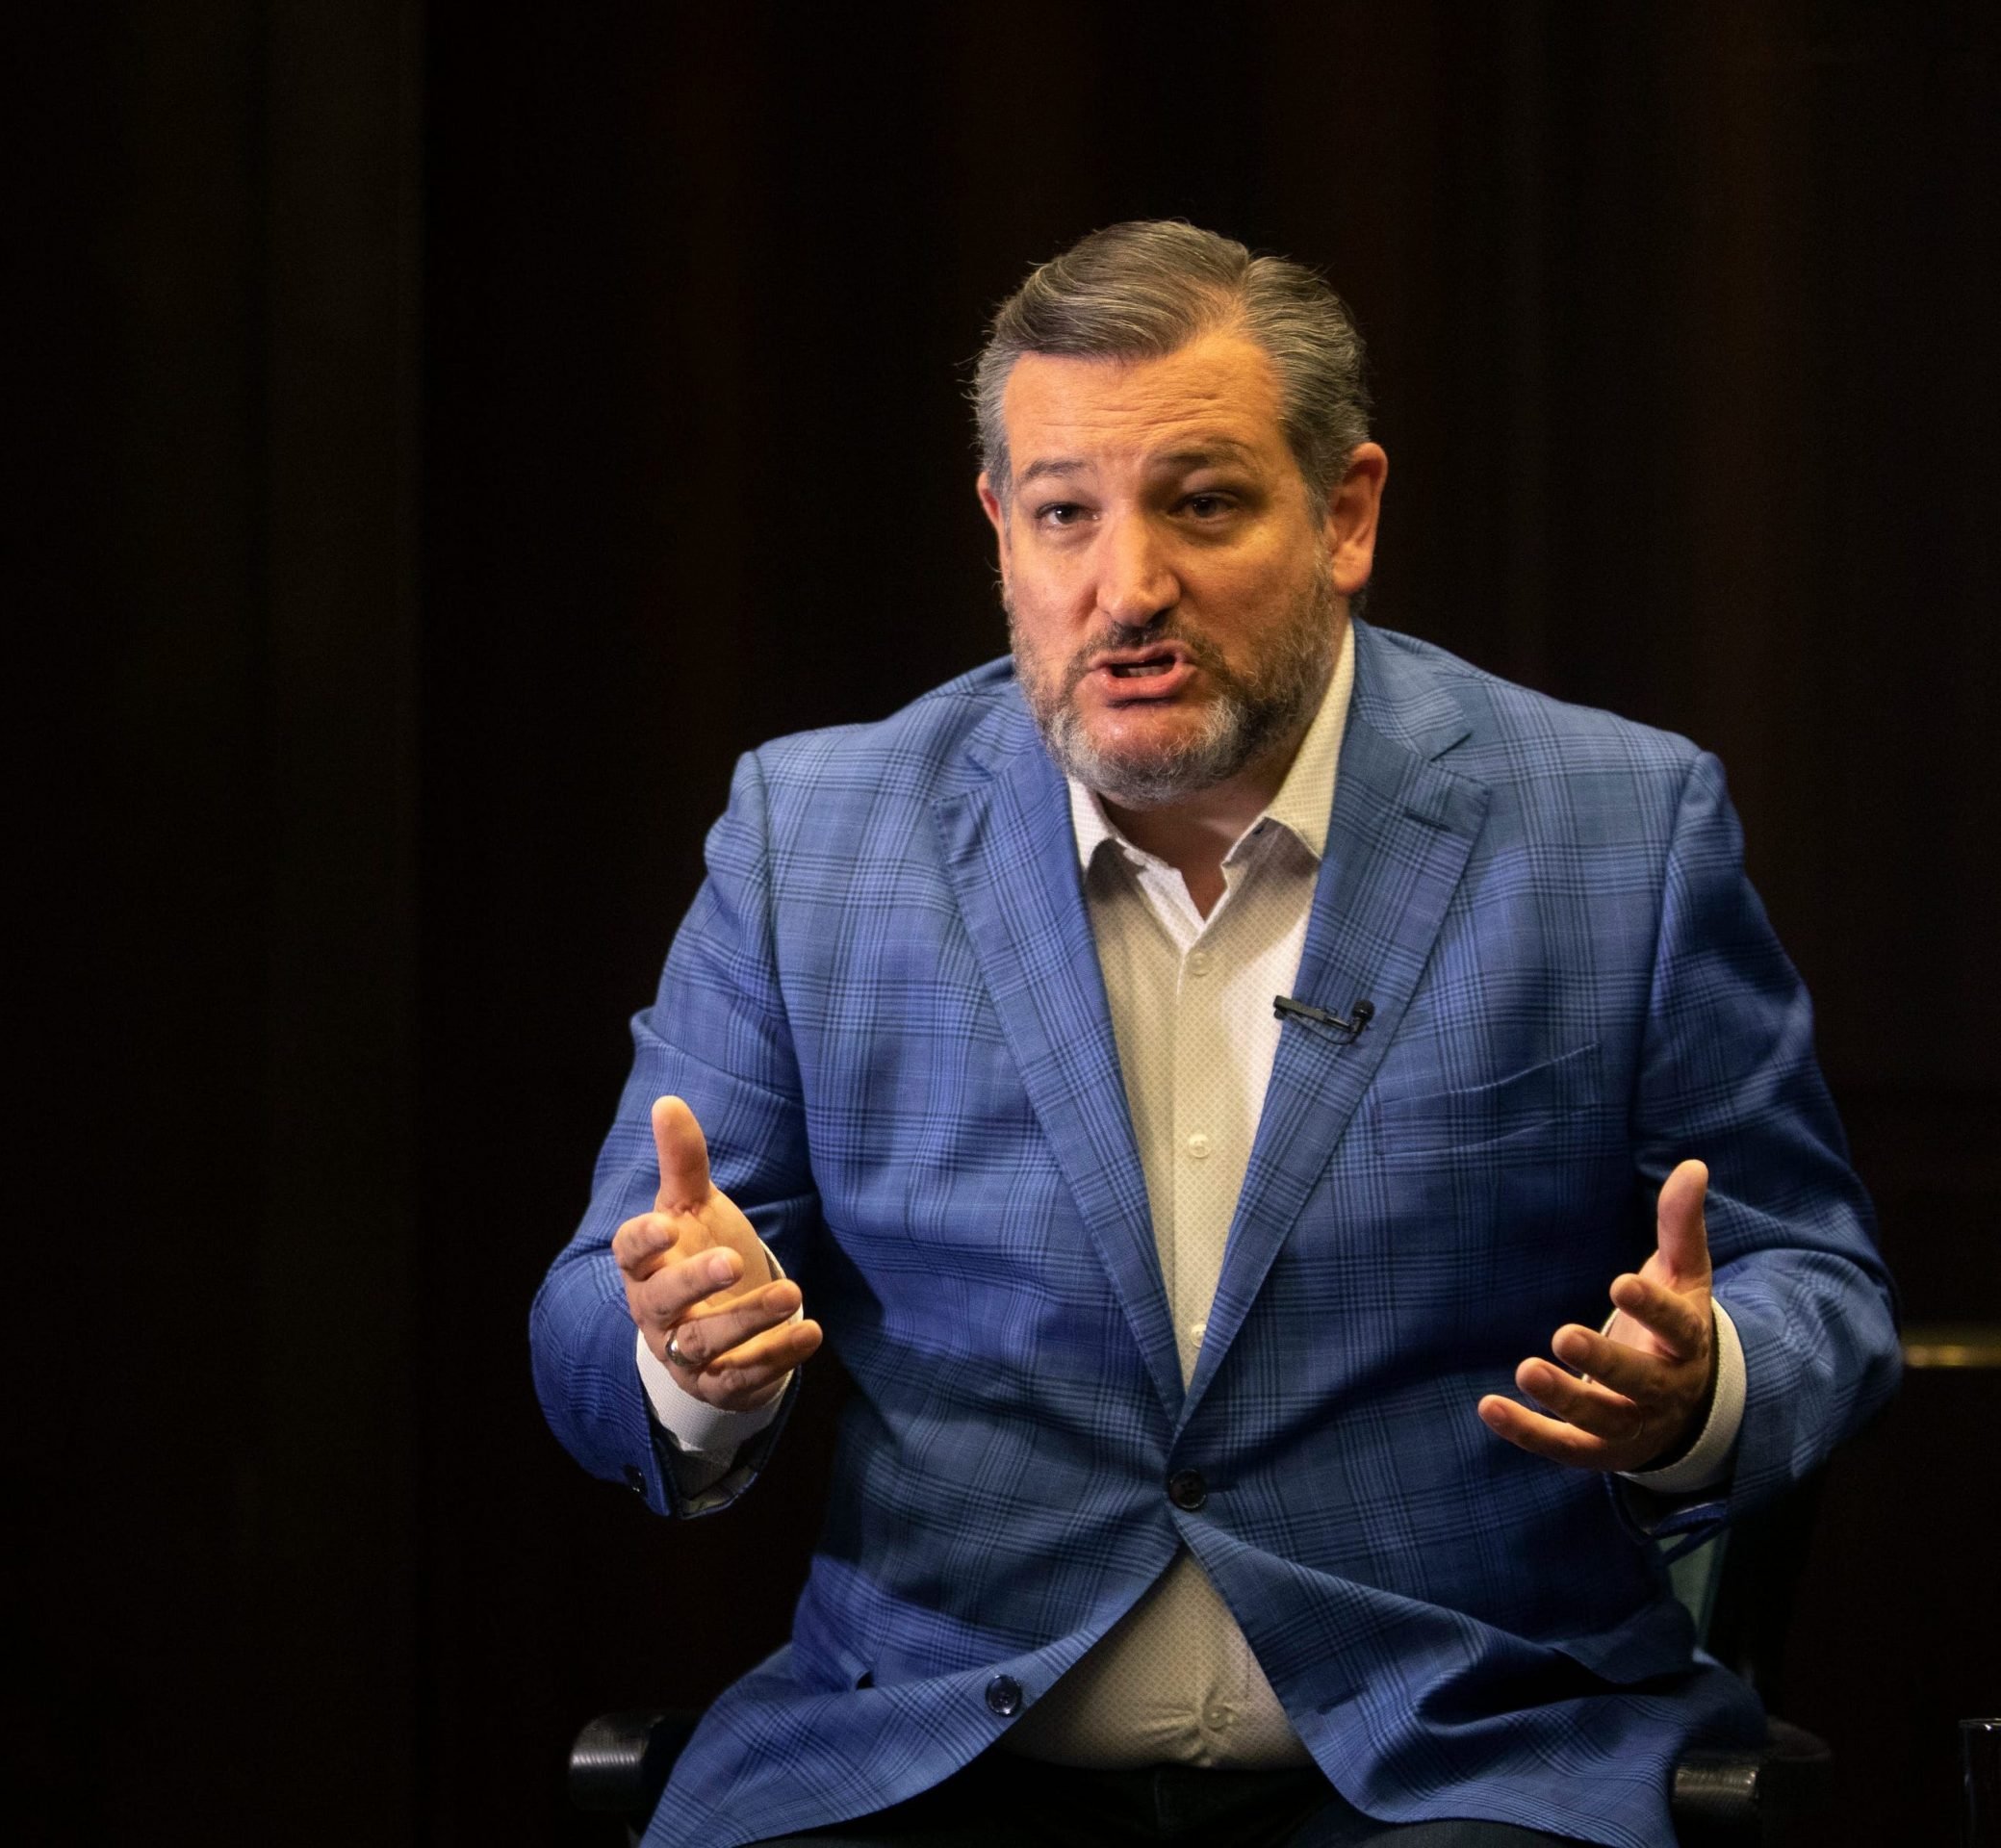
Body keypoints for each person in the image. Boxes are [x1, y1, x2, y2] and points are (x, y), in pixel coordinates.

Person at [529, 220, 1899, 1848]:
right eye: (1064, 517)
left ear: (1347, 514)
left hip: (1465, 1764)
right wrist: (679, 1358)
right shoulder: (812, 834)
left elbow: (1815, 1282)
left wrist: (1701, 1389)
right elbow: (583, 1319)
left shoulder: (1614, 824)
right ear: (1000, 530)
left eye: (1204, 503)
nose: (1129, 589)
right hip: (934, 1762)